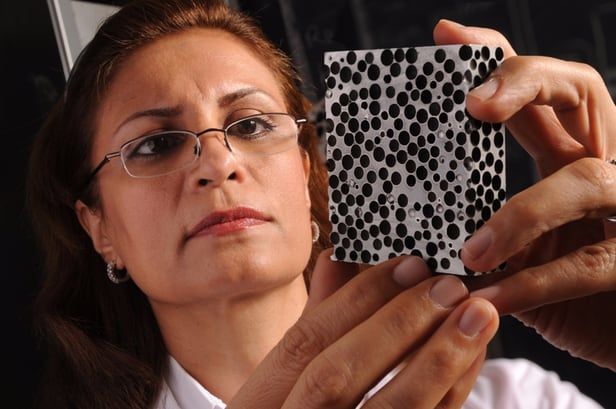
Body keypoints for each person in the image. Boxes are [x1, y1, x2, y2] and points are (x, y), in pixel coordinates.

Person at [26, 0, 615, 408]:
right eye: (155, 144)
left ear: (308, 175)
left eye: (252, 125)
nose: (219, 163)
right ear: (98, 225)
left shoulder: (519, 399)